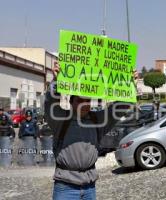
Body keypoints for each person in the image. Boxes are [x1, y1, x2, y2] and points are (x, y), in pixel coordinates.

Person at [45, 62, 138, 200]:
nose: (85, 104)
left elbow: (120, 107)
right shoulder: (60, 119)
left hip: (90, 186)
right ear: (71, 102)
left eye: (88, 100)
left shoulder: (98, 120)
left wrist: (131, 85)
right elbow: (50, 101)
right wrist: (55, 81)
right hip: (65, 187)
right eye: (80, 100)